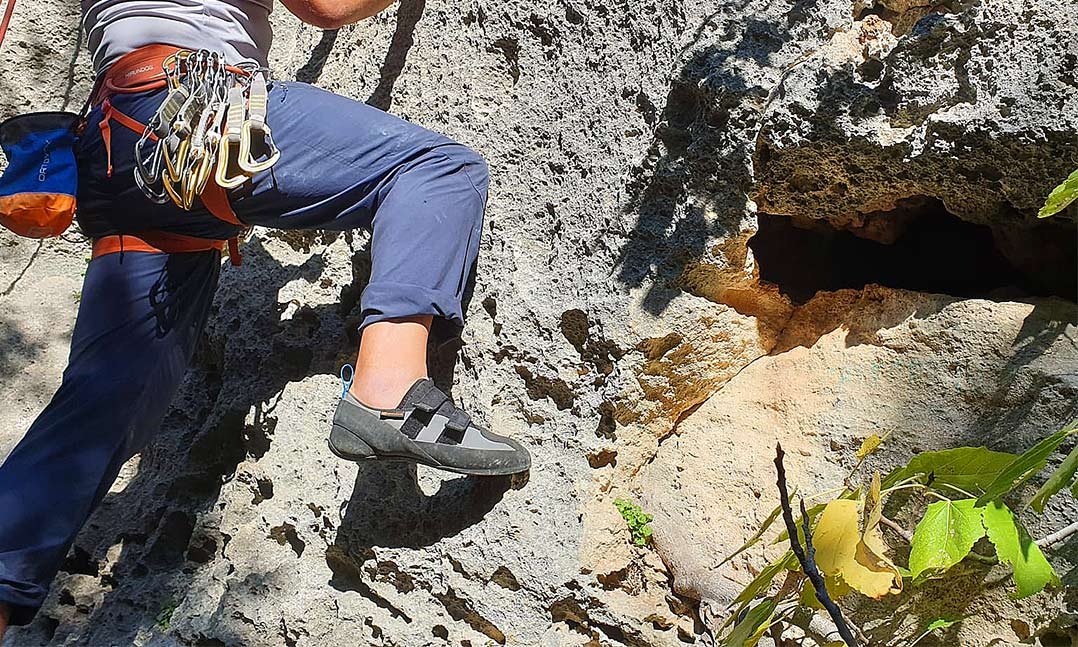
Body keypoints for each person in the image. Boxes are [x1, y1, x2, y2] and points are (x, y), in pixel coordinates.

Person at [0, 0, 531, 634]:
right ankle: (388, 390)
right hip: (193, 114)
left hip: (117, 154)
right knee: (438, 170)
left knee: (103, 404)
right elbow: (328, 8)